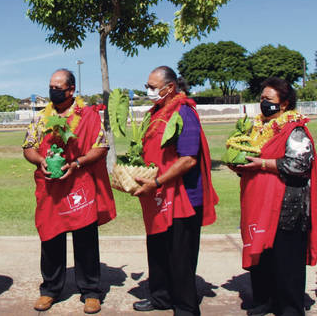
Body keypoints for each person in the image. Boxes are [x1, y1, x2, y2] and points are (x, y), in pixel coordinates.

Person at [22, 69, 117, 315]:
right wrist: (40, 160)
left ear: (71, 90)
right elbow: (28, 146)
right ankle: (50, 289)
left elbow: (101, 146)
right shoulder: (41, 117)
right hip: (50, 186)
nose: (52, 90)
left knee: (85, 238)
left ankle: (91, 292)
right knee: (50, 236)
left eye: (57, 87)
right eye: (50, 86)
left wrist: (76, 164)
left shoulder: (88, 115)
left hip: (79, 184)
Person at [230, 77, 317, 316]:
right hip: (259, 204)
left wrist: (262, 164)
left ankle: (289, 307)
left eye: (268, 99)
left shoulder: (295, 130)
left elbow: (300, 165)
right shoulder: (257, 128)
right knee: (263, 257)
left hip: (287, 207)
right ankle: (265, 300)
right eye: (261, 99)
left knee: (286, 261)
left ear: (284, 104)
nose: (263, 103)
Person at [132, 66, 218, 315]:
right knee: (158, 248)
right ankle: (161, 297)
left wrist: (157, 181)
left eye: (151, 86)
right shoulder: (156, 112)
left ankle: (185, 306)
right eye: (147, 85)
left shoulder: (184, 112)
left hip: (183, 197)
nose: (148, 90)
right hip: (158, 195)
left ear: (169, 88)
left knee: (180, 255)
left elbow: (189, 159)